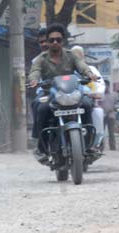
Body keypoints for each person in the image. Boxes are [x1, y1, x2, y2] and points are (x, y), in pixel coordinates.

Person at [27, 24, 94, 158]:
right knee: (40, 108)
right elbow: (35, 71)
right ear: (48, 41)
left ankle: (88, 143)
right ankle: (42, 145)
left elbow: (82, 66)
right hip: (49, 94)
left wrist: (89, 73)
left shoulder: (71, 56)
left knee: (87, 104)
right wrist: (34, 80)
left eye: (58, 39)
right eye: (51, 40)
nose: (55, 42)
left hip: (71, 93)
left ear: (63, 41)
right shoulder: (41, 59)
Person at [70, 45, 105, 146]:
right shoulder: (67, 70)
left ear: (82, 57)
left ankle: (90, 139)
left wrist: (97, 93)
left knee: (89, 107)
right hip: (67, 100)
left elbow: (100, 84)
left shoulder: (91, 70)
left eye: (78, 56)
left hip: (86, 98)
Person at [101, 79, 117, 150]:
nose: (106, 87)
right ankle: (101, 146)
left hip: (111, 115)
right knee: (101, 132)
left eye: (107, 85)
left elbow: (116, 105)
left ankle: (112, 147)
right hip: (102, 115)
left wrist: (114, 109)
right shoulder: (100, 95)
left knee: (111, 132)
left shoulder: (113, 95)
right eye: (104, 85)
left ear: (108, 86)